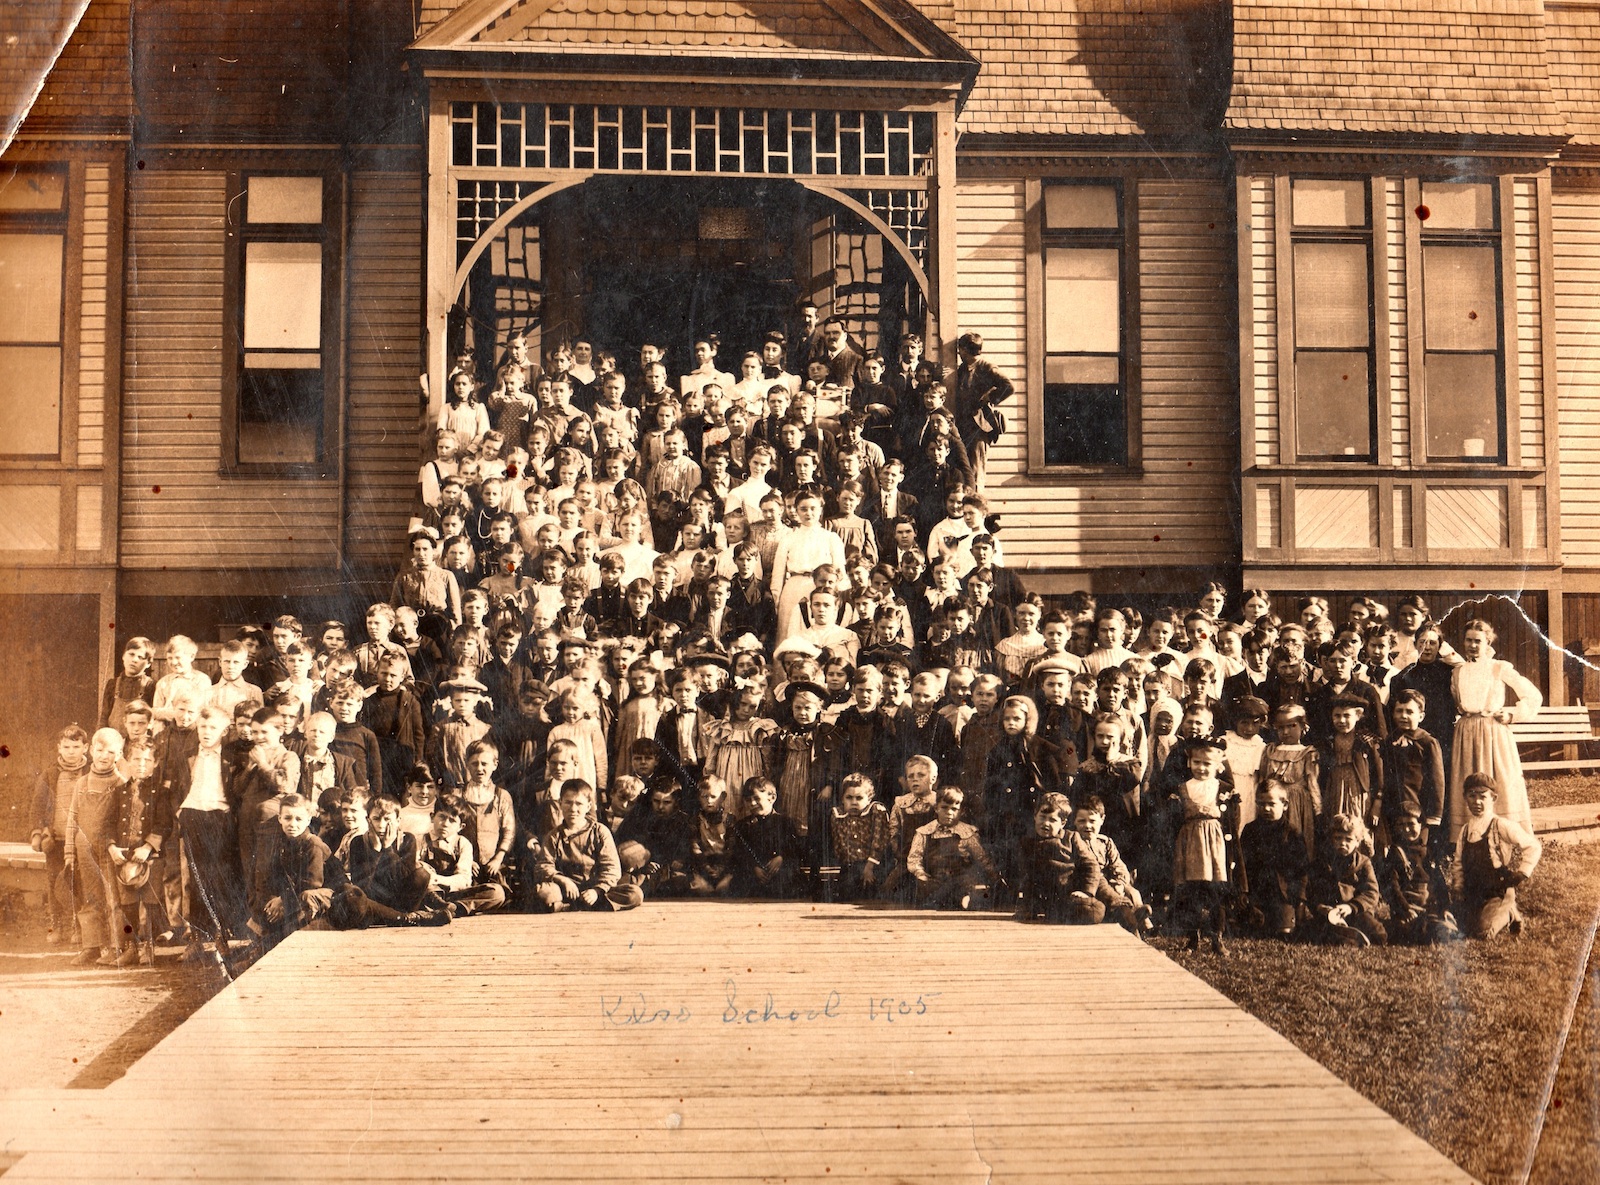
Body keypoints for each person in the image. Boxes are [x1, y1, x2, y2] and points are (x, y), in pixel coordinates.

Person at [1448, 619, 1540, 839]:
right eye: (1468, 640)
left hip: (1493, 732)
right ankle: (1469, 836)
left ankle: (1502, 833)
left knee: (1498, 782)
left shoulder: (1499, 667)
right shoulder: (1458, 671)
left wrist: (1512, 715)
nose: (1472, 645)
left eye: (1477, 641)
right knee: (1467, 781)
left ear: (1487, 641)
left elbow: (1533, 695)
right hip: (1466, 732)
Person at [62, 728, 132, 966]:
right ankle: (91, 946)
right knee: (90, 897)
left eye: (110, 751)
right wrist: (69, 852)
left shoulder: (121, 783)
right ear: (91, 750)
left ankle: (116, 946)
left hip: (110, 851)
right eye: (99, 750)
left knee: (114, 898)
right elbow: (72, 818)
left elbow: (125, 820)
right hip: (84, 850)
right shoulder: (82, 783)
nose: (104, 756)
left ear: (120, 754)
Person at [525, 779, 642, 912]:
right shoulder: (554, 836)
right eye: (568, 802)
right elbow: (543, 866)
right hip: (566, 891)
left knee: (634, 894)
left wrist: (596, 891)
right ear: (560, 803)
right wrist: (563, 880)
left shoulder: (600, 831)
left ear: (588, 806)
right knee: (544, 893)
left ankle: (570, 907)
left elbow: (611, 868)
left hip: (596, 890)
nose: (573, 809)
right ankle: (580, 905)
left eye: (579, 804)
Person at [1451, 772, 1541, 940]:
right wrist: (1458, 889)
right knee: (1460, 928)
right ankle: (1506, 912)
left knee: (1483, 932)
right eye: (1472, 796)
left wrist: (1521, 873)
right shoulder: (1465, 831)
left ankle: (1508, 911)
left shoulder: (1500, 825)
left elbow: (1533, 846)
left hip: (1496, 890)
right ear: (1465, 798)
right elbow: (1458, 863)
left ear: (1493, 798)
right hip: (1473, 892)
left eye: (1482, 797)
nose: (1477, 802)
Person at [1171, 737, 1234, 954]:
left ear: (1218, 766)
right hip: (1190, 845)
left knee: (1216, 893)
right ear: (1189, 762)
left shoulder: (1223, 788)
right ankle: (1192, 938)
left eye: (1208, 763)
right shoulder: (1183, 788)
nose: (1202, 768)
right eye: (1197, 762)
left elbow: (1232, 822)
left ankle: (1217, 938)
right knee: (1192, 894)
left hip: (1215, 846)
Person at [249, 794, 335, 950]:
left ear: (308, 820)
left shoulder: (312, 843)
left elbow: (312, 883)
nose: (292, 824)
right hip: (296, 896)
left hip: (325, 897)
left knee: (302, 903)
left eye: (298, 819)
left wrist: (282, 901)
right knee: (263, 909)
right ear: (279, 818)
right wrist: (273, 900)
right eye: (287, 818)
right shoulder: (281, 843)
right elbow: (271, 876)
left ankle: (272, 947)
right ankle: (259, 949)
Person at [1238, 782, 1309, 939]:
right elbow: (1242, 865)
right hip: (1257, 891)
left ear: (1284, 804)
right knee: (1248, 928)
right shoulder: (1250, 830)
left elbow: (1302, 870)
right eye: (1261, 804)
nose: (1266, 809)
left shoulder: (1292, 833)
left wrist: (1300, 900)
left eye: (1271, 804)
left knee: (1284, 932)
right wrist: (1243, 891)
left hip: (1282, 893)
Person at [906, 786, 993, 911]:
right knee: (928, 890)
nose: (949, 812)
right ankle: (946, 900)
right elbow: (915, 858)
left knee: (967, 884)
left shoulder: (967, 832)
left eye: (954, 809)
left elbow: (981, 857)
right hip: (935, 878)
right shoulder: (925, 832)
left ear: (961, 811)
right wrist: (921, 874)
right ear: (936, 808)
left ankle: (961, 898)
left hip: (960, 877)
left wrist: (992, 874)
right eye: (944, 808)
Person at [1307, 813, 1387, 947]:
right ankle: (1346, 936)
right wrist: (1319, 906)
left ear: (1357, 841)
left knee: (1379, 934)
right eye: (1338, 838)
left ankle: (1348, 936)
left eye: (1348, 839)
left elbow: (1371, 892)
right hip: (1331, 911)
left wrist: (1351, 907)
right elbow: (1311, 889)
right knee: (1314, 931)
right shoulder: (1322, 862)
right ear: (1331, 839)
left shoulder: (1363, 863)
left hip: (1356, 911)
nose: (1342, 843)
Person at [950, 332, 1013, 489]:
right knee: (963, 468)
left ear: (966, 349)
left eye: (961, 349)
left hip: (979, 427)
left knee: (976, 469)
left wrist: (990, 398)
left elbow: (1009, 386)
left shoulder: (987, 368)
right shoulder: (962, 369)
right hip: (962, 425)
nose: (959, 352)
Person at [102, 637, 156, 733]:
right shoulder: (112, 684)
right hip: (114, 741)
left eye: (140, 657)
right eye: (131, 654)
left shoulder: (150, 685)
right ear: (123, 656)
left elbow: (152, 720)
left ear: (148, 663)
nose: (134, 660)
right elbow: (104, 716)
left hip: (138, 742)